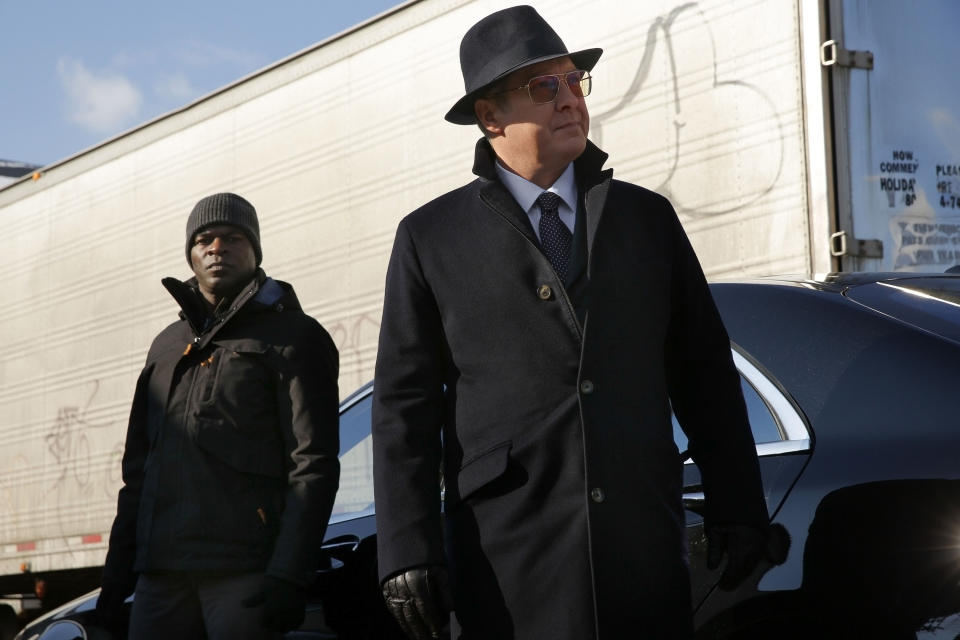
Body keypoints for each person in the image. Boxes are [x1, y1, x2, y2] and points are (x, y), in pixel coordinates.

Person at [371, 6, 770, 640]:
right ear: (489, 115)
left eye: (575, 81)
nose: (570, 100)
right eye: (544, 87)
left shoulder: (646, 219)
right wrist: (406, 549)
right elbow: (403, 406)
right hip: (507, 559)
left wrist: (739, 505)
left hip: (642, 550)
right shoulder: (430, 238)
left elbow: (705, 374)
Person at [96, 193, 340, 639]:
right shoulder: (166, 346)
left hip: (244, 571)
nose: (216, 248)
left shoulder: (295, 337)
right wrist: (116, 579)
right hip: (160, 576)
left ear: (254, 250)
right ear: (190, 254)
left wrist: (289, 573)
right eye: (204, 239)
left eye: (232, 238)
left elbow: (313, 464)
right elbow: (137, 474)